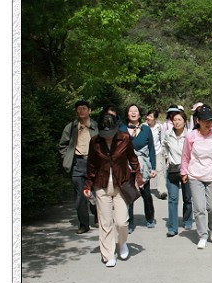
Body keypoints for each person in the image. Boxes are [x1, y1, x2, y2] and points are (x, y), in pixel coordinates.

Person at [83, 113, 143, 267]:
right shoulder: (95, 141)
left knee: (122, 222)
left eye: (110, 133)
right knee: (105, 222)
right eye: (105, 134)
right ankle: (108, 254)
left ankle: (122, 243)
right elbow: (91, 165)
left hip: (121, 184)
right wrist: (88, 185)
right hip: (101, 185)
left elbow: (133, 159)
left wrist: (138, 178)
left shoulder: (125, 139)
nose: (107, 137)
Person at [180, 105, 212, 249]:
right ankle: (202, 235)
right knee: (199, 208)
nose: (208, 124)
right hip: (195, 176)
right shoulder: (191, 136)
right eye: (205, 121)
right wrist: (184, 172)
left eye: (210, 121)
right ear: (198, 121)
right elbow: (185, 156)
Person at [58, 99, 99, 234]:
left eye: (84, 108)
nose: (81, 111)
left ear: (89, 111)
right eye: (79, 109)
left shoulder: (96, 126)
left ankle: (97, 214)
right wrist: (67, 158)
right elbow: (63, 145)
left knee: (94, 192)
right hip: (77, 163)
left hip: (94, 164)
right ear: (76, 111)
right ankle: (83, 224)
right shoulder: (71, 127)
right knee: (80, 196)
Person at [119, 104, 157, 232]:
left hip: (143, 166)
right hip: (126, 165)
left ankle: (150, 218)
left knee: (146, 193)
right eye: (131, 111)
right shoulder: (122, 129)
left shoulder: (146, 129)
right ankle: (129, 223)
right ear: (127, 114)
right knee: (129, 194)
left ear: (140, 114)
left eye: (136, 111)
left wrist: (153, 167)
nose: (133, 113)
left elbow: (151, 149)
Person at [162, 110, 193, 237]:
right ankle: (172, 227)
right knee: (172, 199)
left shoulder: (190, 135)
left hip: (187, 171)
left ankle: (187, 220)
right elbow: (164, 146)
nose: (176, 122)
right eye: (174, 120)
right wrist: (167, 158)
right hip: (173, 169)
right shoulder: (168, 134)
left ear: (184, 121)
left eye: (179, 119)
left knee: (187, 197)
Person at [145, 109, 167, 200]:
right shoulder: (143, 126)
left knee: (159, 170)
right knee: (144, 171)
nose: (149, 118)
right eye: (148, 116)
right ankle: (142, 190)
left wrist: (163, 150)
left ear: (155, 119)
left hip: (157, 151)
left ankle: (162, 191)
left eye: (151, 116)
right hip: (146, 152)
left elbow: (163, 139)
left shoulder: (159, 127)